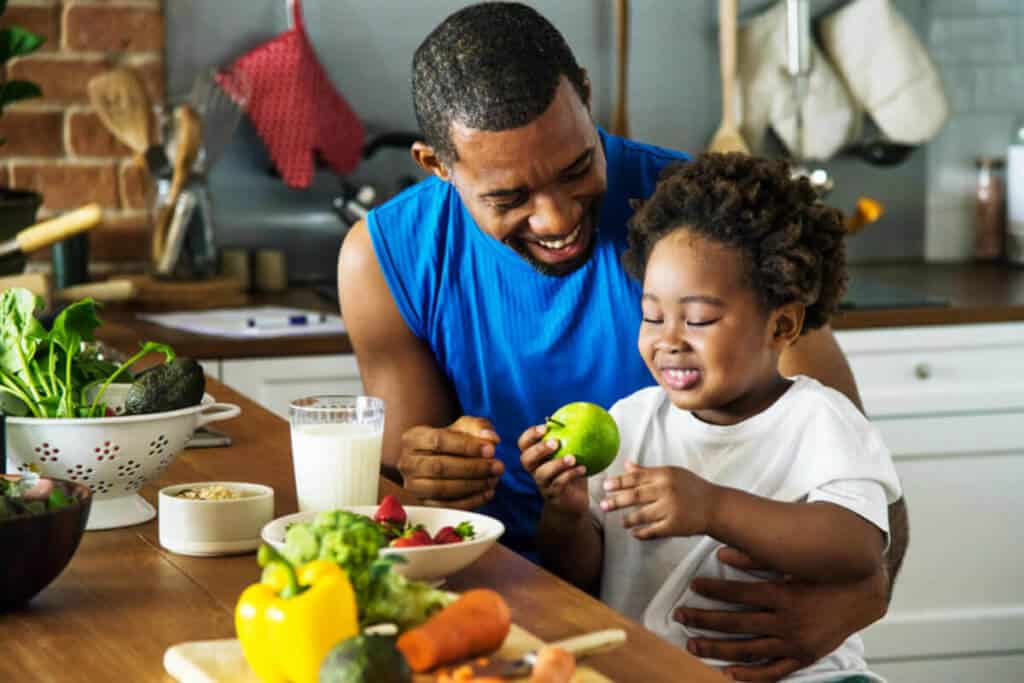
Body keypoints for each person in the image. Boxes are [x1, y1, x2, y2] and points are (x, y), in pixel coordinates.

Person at [338, 3, 909, 679]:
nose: (556, 217)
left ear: (585, 92)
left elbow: (871, 504)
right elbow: (409, 512)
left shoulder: (700, 228)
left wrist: (857, 601)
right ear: (437, 164)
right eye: (510, 196)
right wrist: (426, 471)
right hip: (499, 621)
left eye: (577, 166)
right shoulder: (387, 259)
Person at [521, 153, 902, 681]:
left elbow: (857, 549)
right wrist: (564, 514)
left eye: (699, 318)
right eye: (652, 315)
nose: (668, 339)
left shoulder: (818, 419)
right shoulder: (631, 421)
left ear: (782, 325)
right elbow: (581, 574)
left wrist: (714, 507)